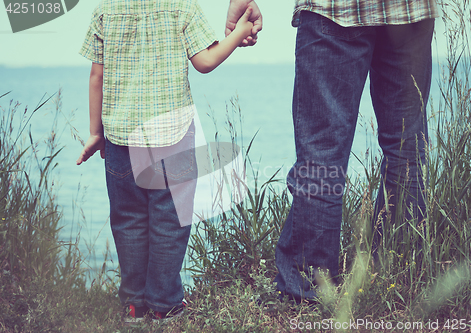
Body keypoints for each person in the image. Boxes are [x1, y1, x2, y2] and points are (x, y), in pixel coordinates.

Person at [225, 0, 437, 302]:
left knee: (322, 152)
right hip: (410, 11)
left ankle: (309, 289)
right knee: (406, 147)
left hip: (336, 10)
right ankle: (398, 274)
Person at [77, 0, 254, 323]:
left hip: (121, 137)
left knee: (127, 219)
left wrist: (95, 132)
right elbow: (205, 60)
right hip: (171, 136)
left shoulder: (106, 9)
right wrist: (239, 31)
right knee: (169, 221)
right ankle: (164, 304)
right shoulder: (182, 6)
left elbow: (96, 76)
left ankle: (134, 305)